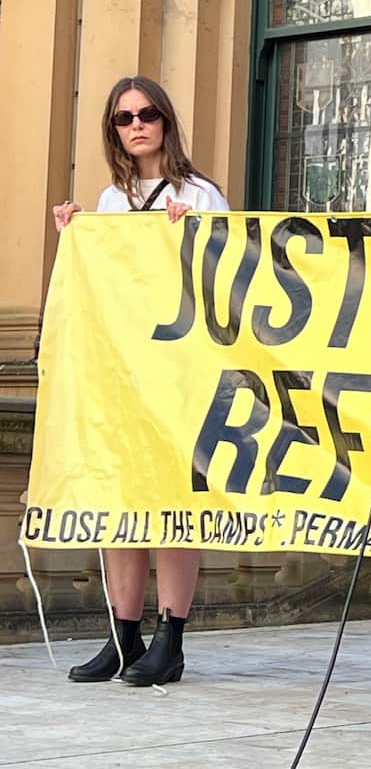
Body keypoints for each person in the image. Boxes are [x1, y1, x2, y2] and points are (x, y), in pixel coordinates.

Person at [50, 75, 227, 687]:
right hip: (123, 371)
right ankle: (122, 636)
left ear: (167, 120)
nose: (137, 125)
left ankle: (170, 637)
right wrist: (76, 240)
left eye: (147, 113)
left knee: (174, 506)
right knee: (122, 505)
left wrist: (194, 238)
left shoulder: (200, 194)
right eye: (124, 118)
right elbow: (106, 285)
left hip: (180, 374)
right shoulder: (110, 198)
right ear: (114, 131)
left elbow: (227, 278)